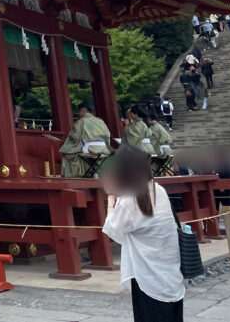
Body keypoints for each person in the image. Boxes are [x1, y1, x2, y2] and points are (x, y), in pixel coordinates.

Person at [102, 146, 184, 322]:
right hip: (169, 271)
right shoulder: (158, 190)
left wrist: (110, 196)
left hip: (147, 275)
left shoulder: (129, 199)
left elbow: (113, 230)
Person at [59, 102, 111, 177]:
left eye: (79, 112)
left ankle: (75, 175)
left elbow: (74, 137)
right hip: (103, 149)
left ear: (83, 111)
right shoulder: (100, 121)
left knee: (67, 153)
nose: (79, 114)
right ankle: (94, 172)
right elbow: (108, 135)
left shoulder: (81, 121)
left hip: (88, 150)